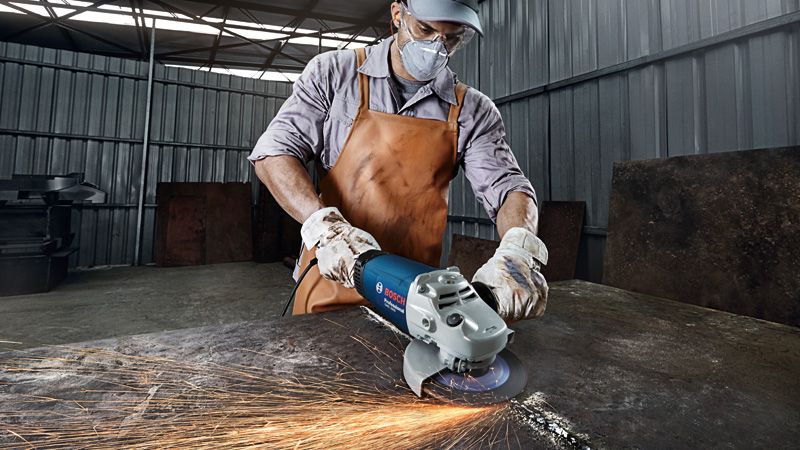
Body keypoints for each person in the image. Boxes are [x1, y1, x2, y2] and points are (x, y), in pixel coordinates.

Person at [248, 0, 549, 322]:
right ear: (397, 14)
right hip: (332, 269)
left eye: (452, 37)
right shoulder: (334, 74)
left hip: (414, 291)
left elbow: (508, 186)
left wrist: (518, 248)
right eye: (425, 29)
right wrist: (326, 231)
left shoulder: (472, 111)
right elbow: (273, 153)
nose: (436, 46)